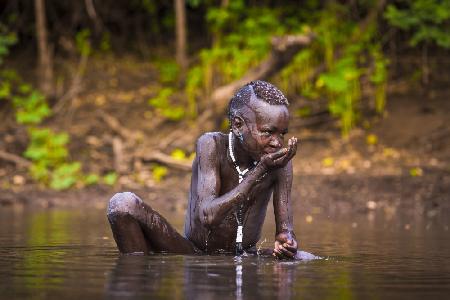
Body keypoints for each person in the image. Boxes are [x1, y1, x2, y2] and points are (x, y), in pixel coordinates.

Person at [107, 80, 310, 259]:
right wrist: (259, 172)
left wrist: (286, 242)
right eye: (268, 132)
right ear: (238, 125)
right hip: (191, 251)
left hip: (245, 255)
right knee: (122, 205)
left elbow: (285, 231)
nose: (277, 142)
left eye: (282, 134)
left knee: (306, 258)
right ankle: (136, 276)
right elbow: (208, 216)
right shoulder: (211, 145)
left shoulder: (280, 163)